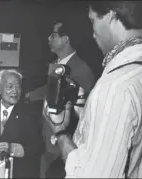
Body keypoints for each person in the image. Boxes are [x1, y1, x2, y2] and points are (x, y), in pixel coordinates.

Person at [43, 1, 142, 178]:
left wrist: (60, 132)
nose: (93, 33)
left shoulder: (114, 87)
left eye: (93, 20)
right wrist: (86, 114)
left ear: (111, 16)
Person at [30, 20, 96, 178]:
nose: (48, 38)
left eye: (53, 35)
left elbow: (86, 116)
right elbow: (50, 89)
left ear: (66, 38)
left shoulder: (82, 71)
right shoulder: (57, 64)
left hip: (63, 148)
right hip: (47, 139)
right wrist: (29, 96)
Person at [0, 69, 44, 178]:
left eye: (18, 86)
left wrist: (12, 148)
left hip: (18, 170)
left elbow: (38, 148)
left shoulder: (30, 112)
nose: (15, 91)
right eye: (10, 86)